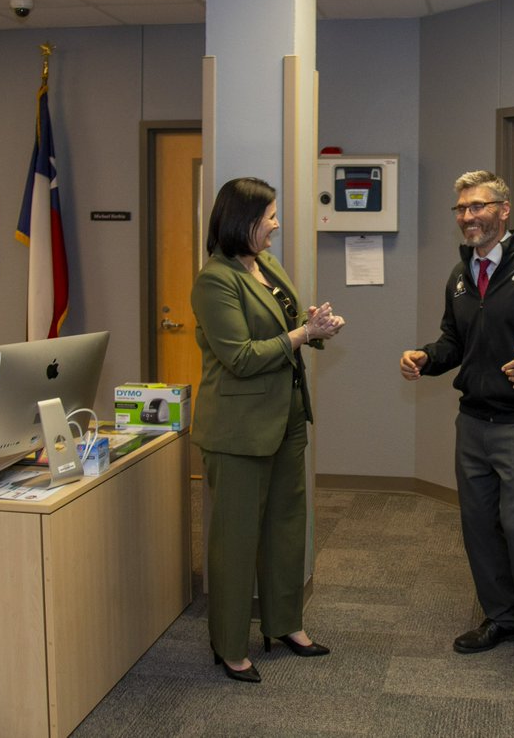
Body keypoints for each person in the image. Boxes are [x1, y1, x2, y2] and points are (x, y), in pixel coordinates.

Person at [401, 170, 514, 687]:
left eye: (477, 207)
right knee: (479, 526)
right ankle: (504, 618)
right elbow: (454, 342)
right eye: (460, 209)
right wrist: (427, 357)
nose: (467, 217)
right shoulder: (461, 275)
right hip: (474, 422)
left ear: (504, 211)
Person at [191, 177, 345, 683]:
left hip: (286, 420)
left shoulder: (266, 266)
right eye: (270, 217)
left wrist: (313, 323)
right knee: (235, 541)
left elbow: (287, 321)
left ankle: (285, 625)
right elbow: (237, 357)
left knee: (285, 527)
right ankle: (230, 645)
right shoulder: (215, 280)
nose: (277, 225)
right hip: (237, 432)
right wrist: (303, 334)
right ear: (243, 221)